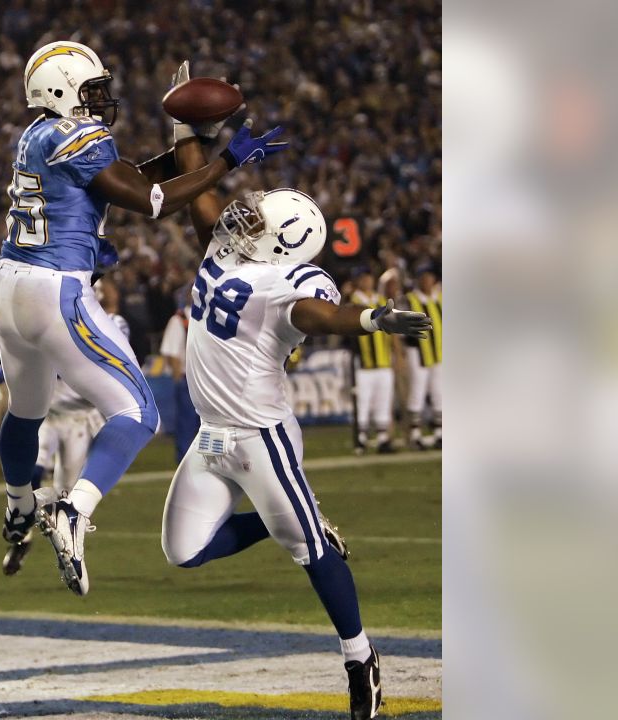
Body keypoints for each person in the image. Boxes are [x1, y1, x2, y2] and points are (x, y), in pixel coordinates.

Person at [161, 66, 431, 719]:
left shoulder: (293, 284)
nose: (239, 219)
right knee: (184, 551)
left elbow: (317, 317)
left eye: (255, 221)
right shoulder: (225, 250)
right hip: (212, 435)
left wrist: (368, 318)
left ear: (284, 245)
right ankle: (298, 520)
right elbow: (196, 194)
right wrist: (184, 130)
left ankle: (361, 659)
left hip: (261, 437)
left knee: (310, 555)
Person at [0, 40, 289, 596]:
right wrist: (224, 161)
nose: (103, 100)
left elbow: (121, 177)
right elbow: (149, 199)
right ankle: (73, 510)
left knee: (26, 410)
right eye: (92, 89)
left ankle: (17, 505)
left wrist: (188, 149)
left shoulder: (36, 135)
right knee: (138, 410)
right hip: (56, 286)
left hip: (9, 285)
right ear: (61, 90)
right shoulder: (75, 134)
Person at [0, 280, 131, 576]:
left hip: (81, 418)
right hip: (47, 414)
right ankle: (22, 533)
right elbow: (29, 351)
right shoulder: (55, 316)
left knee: (67, 495)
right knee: (32, 473)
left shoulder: (113, 323)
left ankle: (65, 551)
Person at [349, 270, 398, 454]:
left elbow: (391, 327)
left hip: (384, 360)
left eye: (369, 277)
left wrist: (397, 353)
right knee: (363, 401)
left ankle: (383, 438)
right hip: (363, 361)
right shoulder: (353, 301)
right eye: (364, 278)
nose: (367, 281)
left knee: (383, 400)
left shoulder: (381, 300)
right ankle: (360, 438)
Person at [401, 265, 443, 450]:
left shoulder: (440, 297)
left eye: (430, 277)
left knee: (439, 393)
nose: (427, 281)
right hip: (416, 351)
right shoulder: (410, 300)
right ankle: (415, 434)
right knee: (417, 391)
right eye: (424, 277)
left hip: (439, 352)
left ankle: (440, 433)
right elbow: (400, 327)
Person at [159, 301, 201, 462]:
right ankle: (184, 461)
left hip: (208, 379)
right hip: (188, 378)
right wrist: (179, 379)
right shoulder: (179, 319)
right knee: (186, 424)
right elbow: (171, 352)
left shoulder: (211, 315)